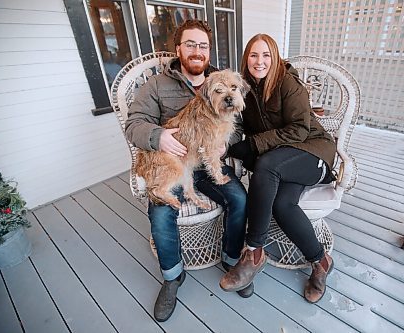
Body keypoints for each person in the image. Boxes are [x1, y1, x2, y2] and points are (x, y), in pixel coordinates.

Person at [125, 20, 251, 323]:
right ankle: (172, 277)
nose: (197, 51)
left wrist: (224, 146)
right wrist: (159, 137)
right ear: (178, 48)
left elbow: (237, 126)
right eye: (190, 44)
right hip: (173, 161)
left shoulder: (220, 80)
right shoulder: (155, 85)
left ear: (209, 51)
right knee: (160, 212)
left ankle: (232, 260)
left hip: (208, 163)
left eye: (203, 45)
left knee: (239, 197)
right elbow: (134, 124)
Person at [219, 34, 337, 304]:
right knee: (282, 204)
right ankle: (321, 261)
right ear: (245, 59)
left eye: (266, 55)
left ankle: (254, 252)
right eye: (253, 55)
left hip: (314, 153)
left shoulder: (288, 83)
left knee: (266, 163)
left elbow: (299, 129)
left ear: (275, 58)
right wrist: (225, 146)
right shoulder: (244, 89)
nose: (259, 61)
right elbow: (239, 129)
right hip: (282, 162)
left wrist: (251, 146)